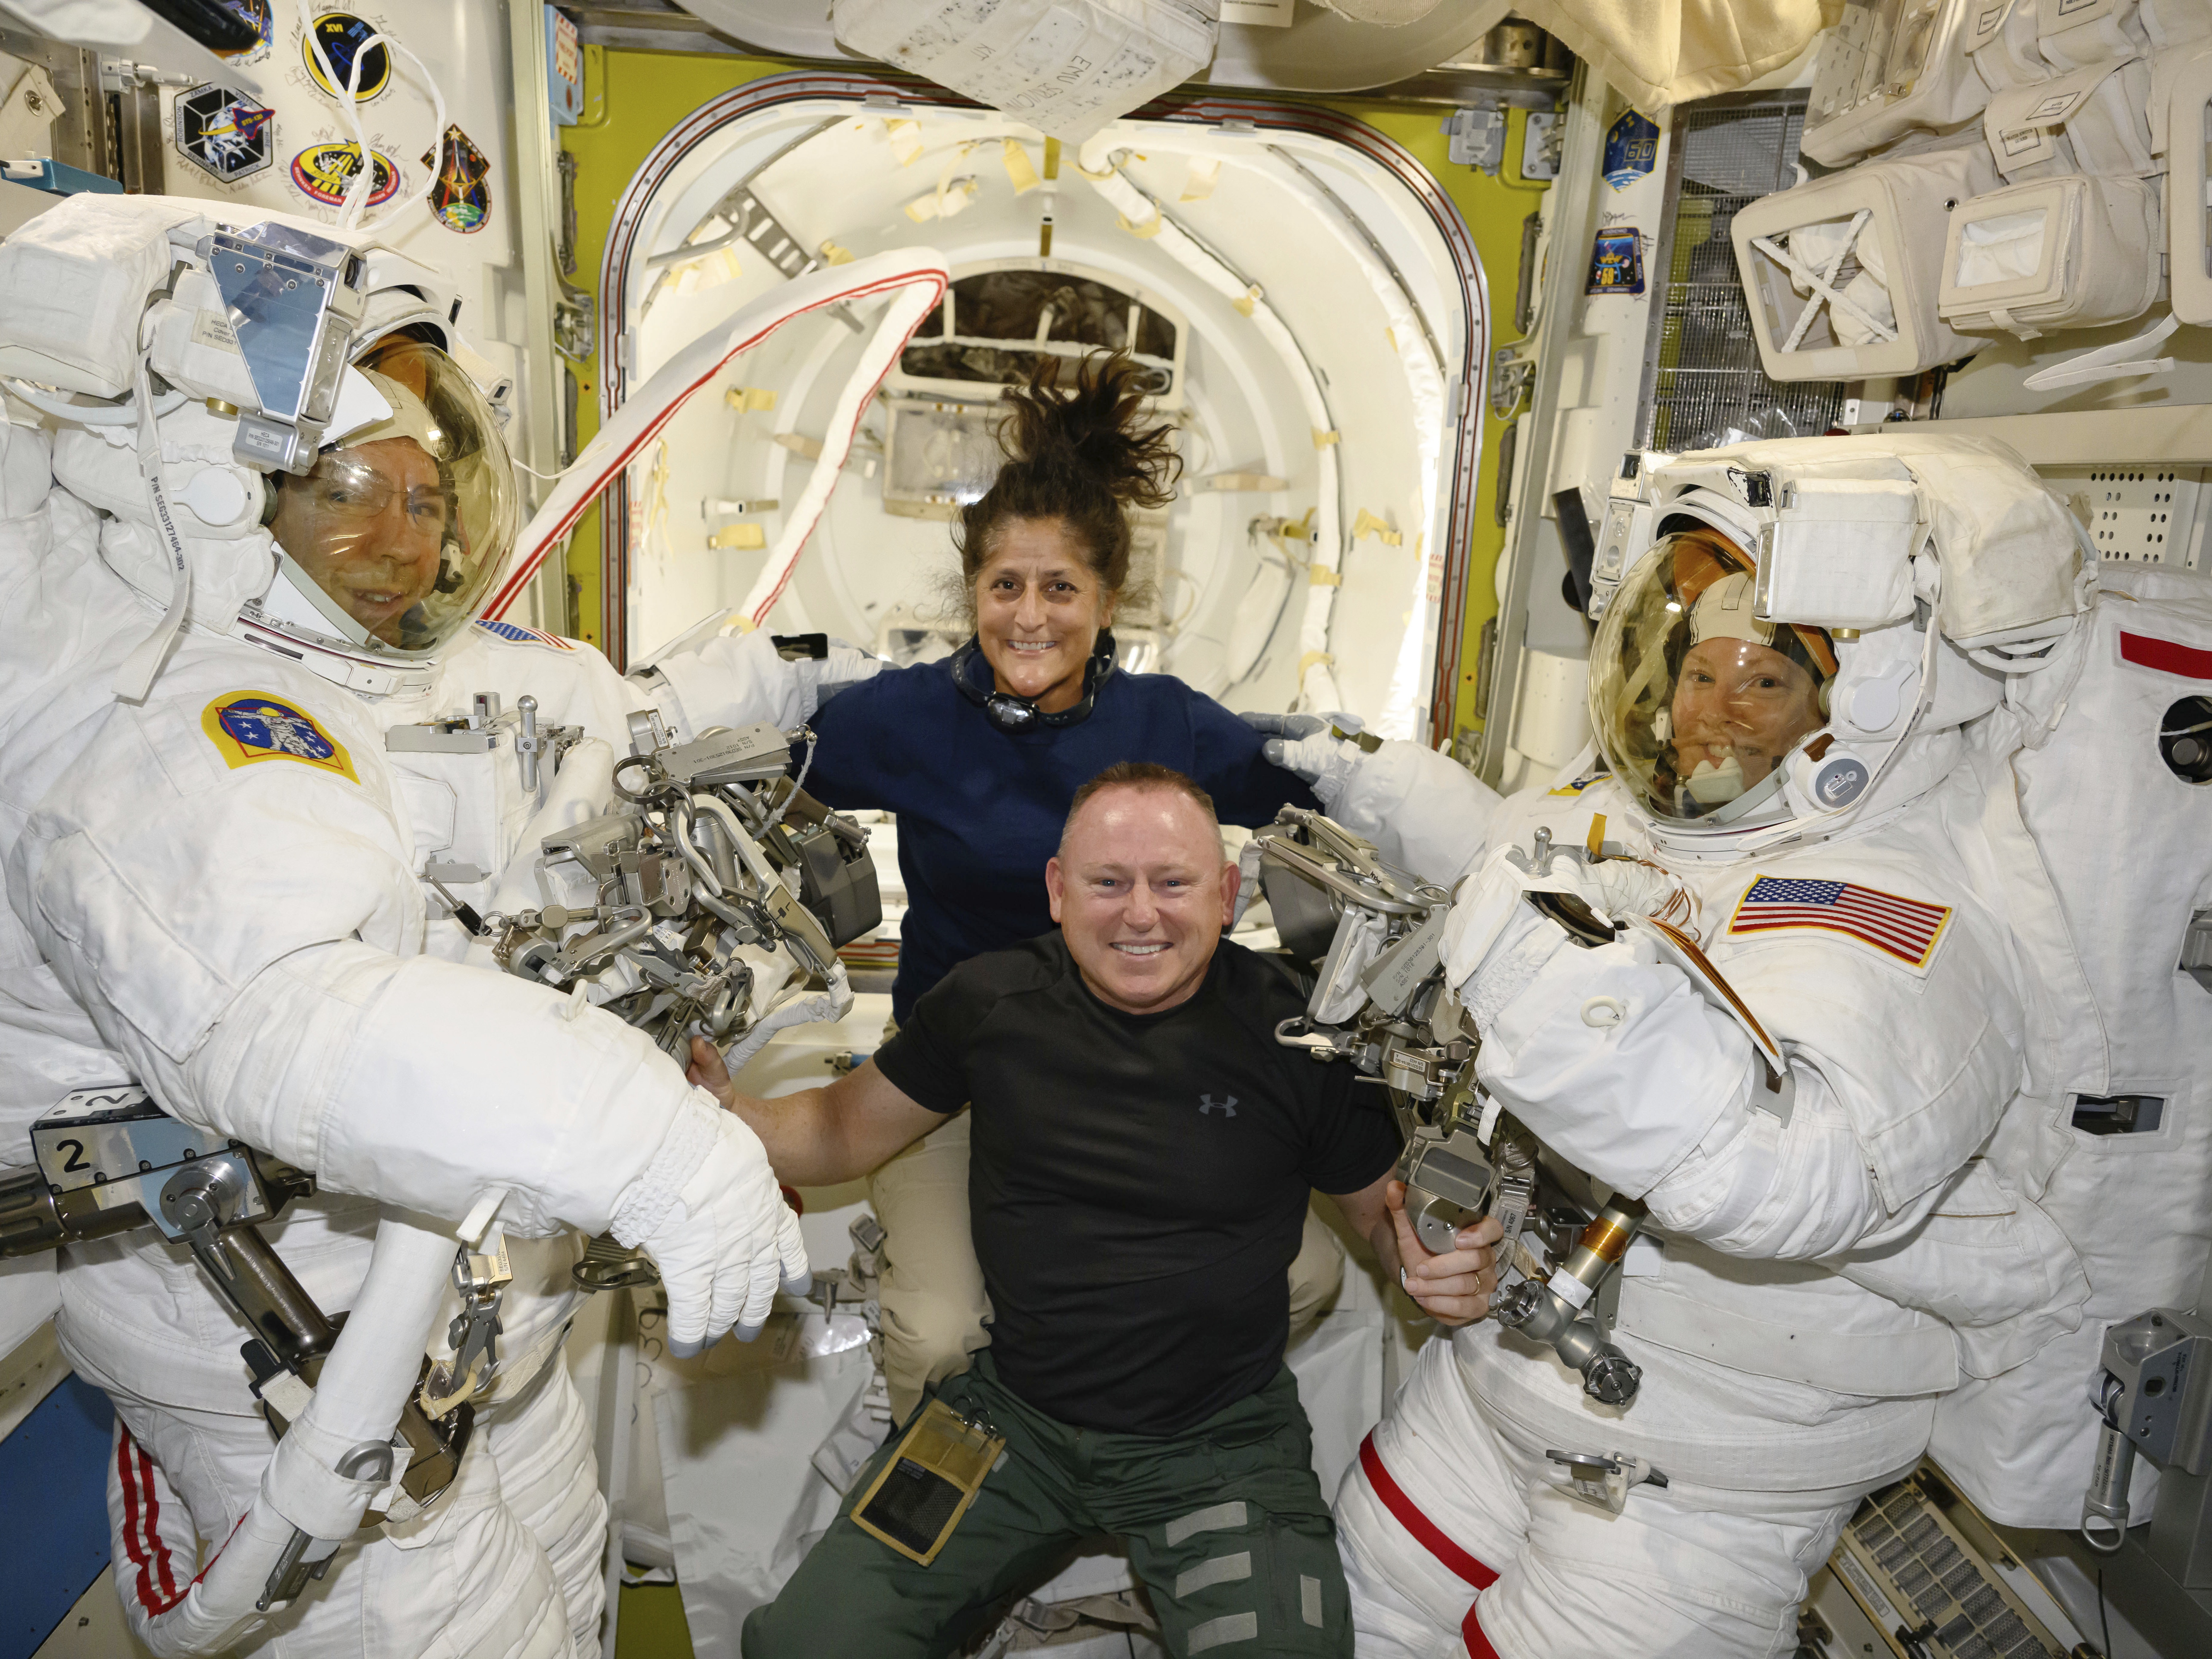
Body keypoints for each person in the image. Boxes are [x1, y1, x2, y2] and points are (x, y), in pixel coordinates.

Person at [0, 197, 883, 1659]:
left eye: (429, 494)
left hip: (464, 1340)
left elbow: (629, 710)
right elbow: (297, 1013)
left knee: (568, 1594)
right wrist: (652, 1149)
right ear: (228, 488)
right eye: (349, 484)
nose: (400, 542)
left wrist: (817, 680)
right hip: (299, 1363)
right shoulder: (174, 719)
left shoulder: (384, 666)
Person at [1251, 440, 2093, 1659]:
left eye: (1762, 683)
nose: (1712, 708)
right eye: (1699, 672)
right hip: (1510, 1365)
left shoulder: (1889, 908)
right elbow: (1505, 850)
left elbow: (1797, 1175)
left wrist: (1555, 1002)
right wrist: (1359, 771)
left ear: (1843, 716)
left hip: (1698, 1450)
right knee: (1352, 1618)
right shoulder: (1625, 816)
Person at [696, 763, 1496, 1658]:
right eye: (1108, 883)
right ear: (1058, 891)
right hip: (1010, 1428)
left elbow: (1379, 1216)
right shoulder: (990, 1002)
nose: (1140, 914)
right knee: (809, 1645)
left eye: (1173, 883)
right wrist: (716, 1112)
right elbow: (841, 1132)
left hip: (1216, 1447)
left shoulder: (1300, 1036)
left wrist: (1429, 1262)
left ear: (1227, 894)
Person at [730, 349, 1339, 1424]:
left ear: (1108, 600)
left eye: (1061, 588)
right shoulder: (904, 719)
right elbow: (747, 757)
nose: (1030, 615)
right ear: (972, 591)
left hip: (1142, 1074)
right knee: (941, 1334)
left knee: (1298, 1278)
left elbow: (1319, 803)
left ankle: (1109, 1451)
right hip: (949, 1080)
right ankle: (967, 1540)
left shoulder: (1171, 725)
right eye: (1004, 585)